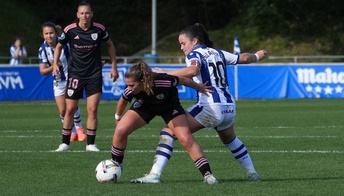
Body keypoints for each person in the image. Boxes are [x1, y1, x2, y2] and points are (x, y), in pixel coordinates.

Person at [130, 23, 269, 183]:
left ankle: (154, 175)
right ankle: (252, 173)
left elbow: (192, 71)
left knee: (168, 132)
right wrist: (258, 55)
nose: (182, 48)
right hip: (229, 107)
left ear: (194, 41)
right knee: (230, 139)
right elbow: (244, 58)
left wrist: (163, 73)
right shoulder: (218, 52)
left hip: (210, 106)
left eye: (183, 43)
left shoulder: (194, 54)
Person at [111, 61, 218, 185]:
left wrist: (199, 87)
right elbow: (123, 101)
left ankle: (208, 175)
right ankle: (115, 167)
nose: (128, 88)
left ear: (143, 81)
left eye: (132, 85)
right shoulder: (130, 90)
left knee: (186, 139)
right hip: (145, 107)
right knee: (120, 130)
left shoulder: (164, 81)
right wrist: (118, 117)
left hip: (170, 107)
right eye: (127, 85)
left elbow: (184, 80)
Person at [52, 1, 119, 152]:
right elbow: (59, 46)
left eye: (87, 13)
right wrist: (55, 63)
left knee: (92, 109)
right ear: (77, 15)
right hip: (75, 74)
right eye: (81, 13)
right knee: (69, 110)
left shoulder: (99, 29)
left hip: (94, 74)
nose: (84, 16)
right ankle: (65, 143)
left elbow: (110, 45)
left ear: (92, 14)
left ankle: (91, 144)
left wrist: (113, 66)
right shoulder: (70, 30)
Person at [38, 22, 86, 143]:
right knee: (63, 111)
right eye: (46, 34)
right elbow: (43, 71)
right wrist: (54, 66)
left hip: (72, 77)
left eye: (51, 33)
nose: (49, 36)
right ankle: (73, 132)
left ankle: (80, 129)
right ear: (43, 35)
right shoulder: (42, 49)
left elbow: (77, 54)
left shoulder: (65, 43)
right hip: (58, 81)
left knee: (72, 106)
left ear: (55, 33)